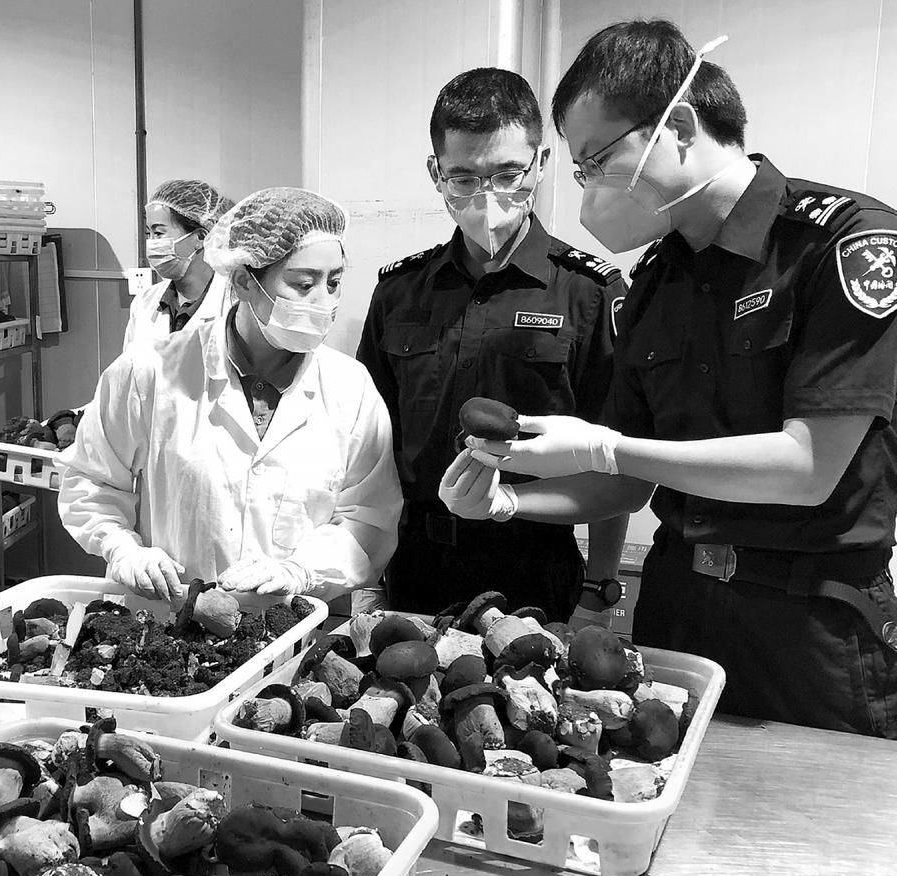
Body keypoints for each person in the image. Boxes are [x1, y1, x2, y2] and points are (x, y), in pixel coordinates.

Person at [444, 20, 897, 737]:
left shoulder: (839, 244)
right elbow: (627, 484)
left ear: (678, 127)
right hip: (678, 602)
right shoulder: (657, 282)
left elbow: (808, 468)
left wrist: (606, 447)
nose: (591, 190)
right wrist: (506, 503)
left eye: (596, 161)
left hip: (811, 617)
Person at [357, 67, 629, 624]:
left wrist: (599, 588)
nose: (487, 196)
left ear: (541, 163)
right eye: (463, 177)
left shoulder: (588, 293)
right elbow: (369, 447)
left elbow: (615, 456)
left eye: (508, 173)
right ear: (436, 173)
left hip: (535, 564)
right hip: (414, 566)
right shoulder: (400, 292)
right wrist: (367, 576)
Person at [58, 187, 403, 603]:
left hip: (290, 625)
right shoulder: (149, 373)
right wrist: (123, 549)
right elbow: (91, 480)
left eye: (334, 283)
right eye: (303, 284)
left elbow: (368, 516)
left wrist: (302, 570)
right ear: (243, 281)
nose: (323, 302)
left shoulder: (350, 387)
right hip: (168, 616)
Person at [131, 179, 235, 347]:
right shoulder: (144, 302)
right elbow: (129, 362)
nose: (151, 243)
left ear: (200, 237)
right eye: (147, 233)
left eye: (159, 233)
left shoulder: (233, 305)